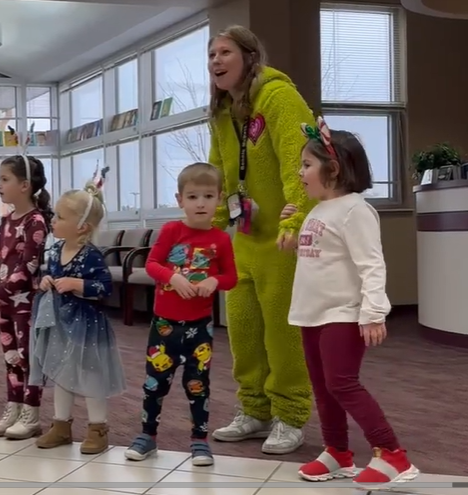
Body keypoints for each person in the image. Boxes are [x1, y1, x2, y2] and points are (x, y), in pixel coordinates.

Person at [282, 119, 418, 486]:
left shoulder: (355, 210)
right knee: (323, 387)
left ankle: (393, 454)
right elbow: (320, 258)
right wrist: (294, 235)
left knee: (342, 384)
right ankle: (337, 453)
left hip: (343, 313)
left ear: (334, 169)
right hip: (311, 313)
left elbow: (371, 264)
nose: (301, 172)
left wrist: (373, 313)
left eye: (307, 165)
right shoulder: (317, 210)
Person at [206, 25, 316, 454]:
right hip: (245, 239)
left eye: (225, 52)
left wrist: (297, 219)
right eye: (211, 54)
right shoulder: (222, 111)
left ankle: (290, 416)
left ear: (250, 56)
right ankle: (254, 410)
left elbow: (299, 160)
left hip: (283, 239)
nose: (215, 61)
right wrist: (213, 228)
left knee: (283, 333)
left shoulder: (278, 97)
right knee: (244, 331)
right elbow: (218, 171)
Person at [124, 163, 237, 465]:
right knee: (154, 383)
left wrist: (215, 280)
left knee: (197, 384)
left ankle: (199, 440)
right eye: (193, 197)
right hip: (164, 326)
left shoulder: (221, 239)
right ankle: (148, 436)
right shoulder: (172, 230)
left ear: (219, 199)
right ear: (180, 200)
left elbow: (231, 277)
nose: (201, 203)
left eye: (208, 196)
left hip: (199, 328)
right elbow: (151, 264)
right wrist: (171, 277)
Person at [31, 172, 126, 455]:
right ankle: (61, 426)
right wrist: (46, 282)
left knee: (91, 375)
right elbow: (50, 276)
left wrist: (77, 284)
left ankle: (98, 427)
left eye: (60, 217)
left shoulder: (91, 254)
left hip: (86, 326)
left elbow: (105, 287)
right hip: (61, 322)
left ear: (82, 226)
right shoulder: (55, 250)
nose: (53, 220)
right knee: (62, 373)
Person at [0, 155, 51, 439]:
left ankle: (31, 412)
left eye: (4, 179)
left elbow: (28, 266)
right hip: (3, 303)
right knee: (11, 357)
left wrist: (0, 291)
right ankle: (13, 405)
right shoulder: (5, 220)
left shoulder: (36, 221)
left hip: (25, 304)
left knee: (28, 357)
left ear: (24, 185)